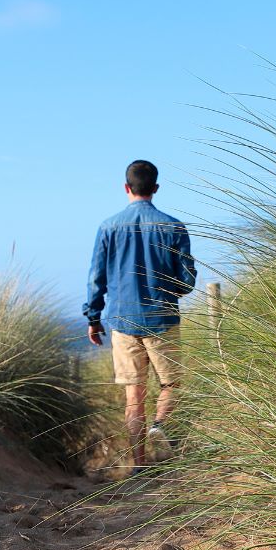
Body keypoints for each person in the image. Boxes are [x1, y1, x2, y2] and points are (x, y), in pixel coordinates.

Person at [83, 160, 195, 467]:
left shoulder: (108, 227)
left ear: (126, 187)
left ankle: (139, 464)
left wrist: (93, 318)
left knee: (134, 397)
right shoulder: (174, 227)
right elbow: (186, 283)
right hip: (162, 319)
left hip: (122, 322)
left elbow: (96, 278)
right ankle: (160, 426)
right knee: (171, 385)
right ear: (155, 188)